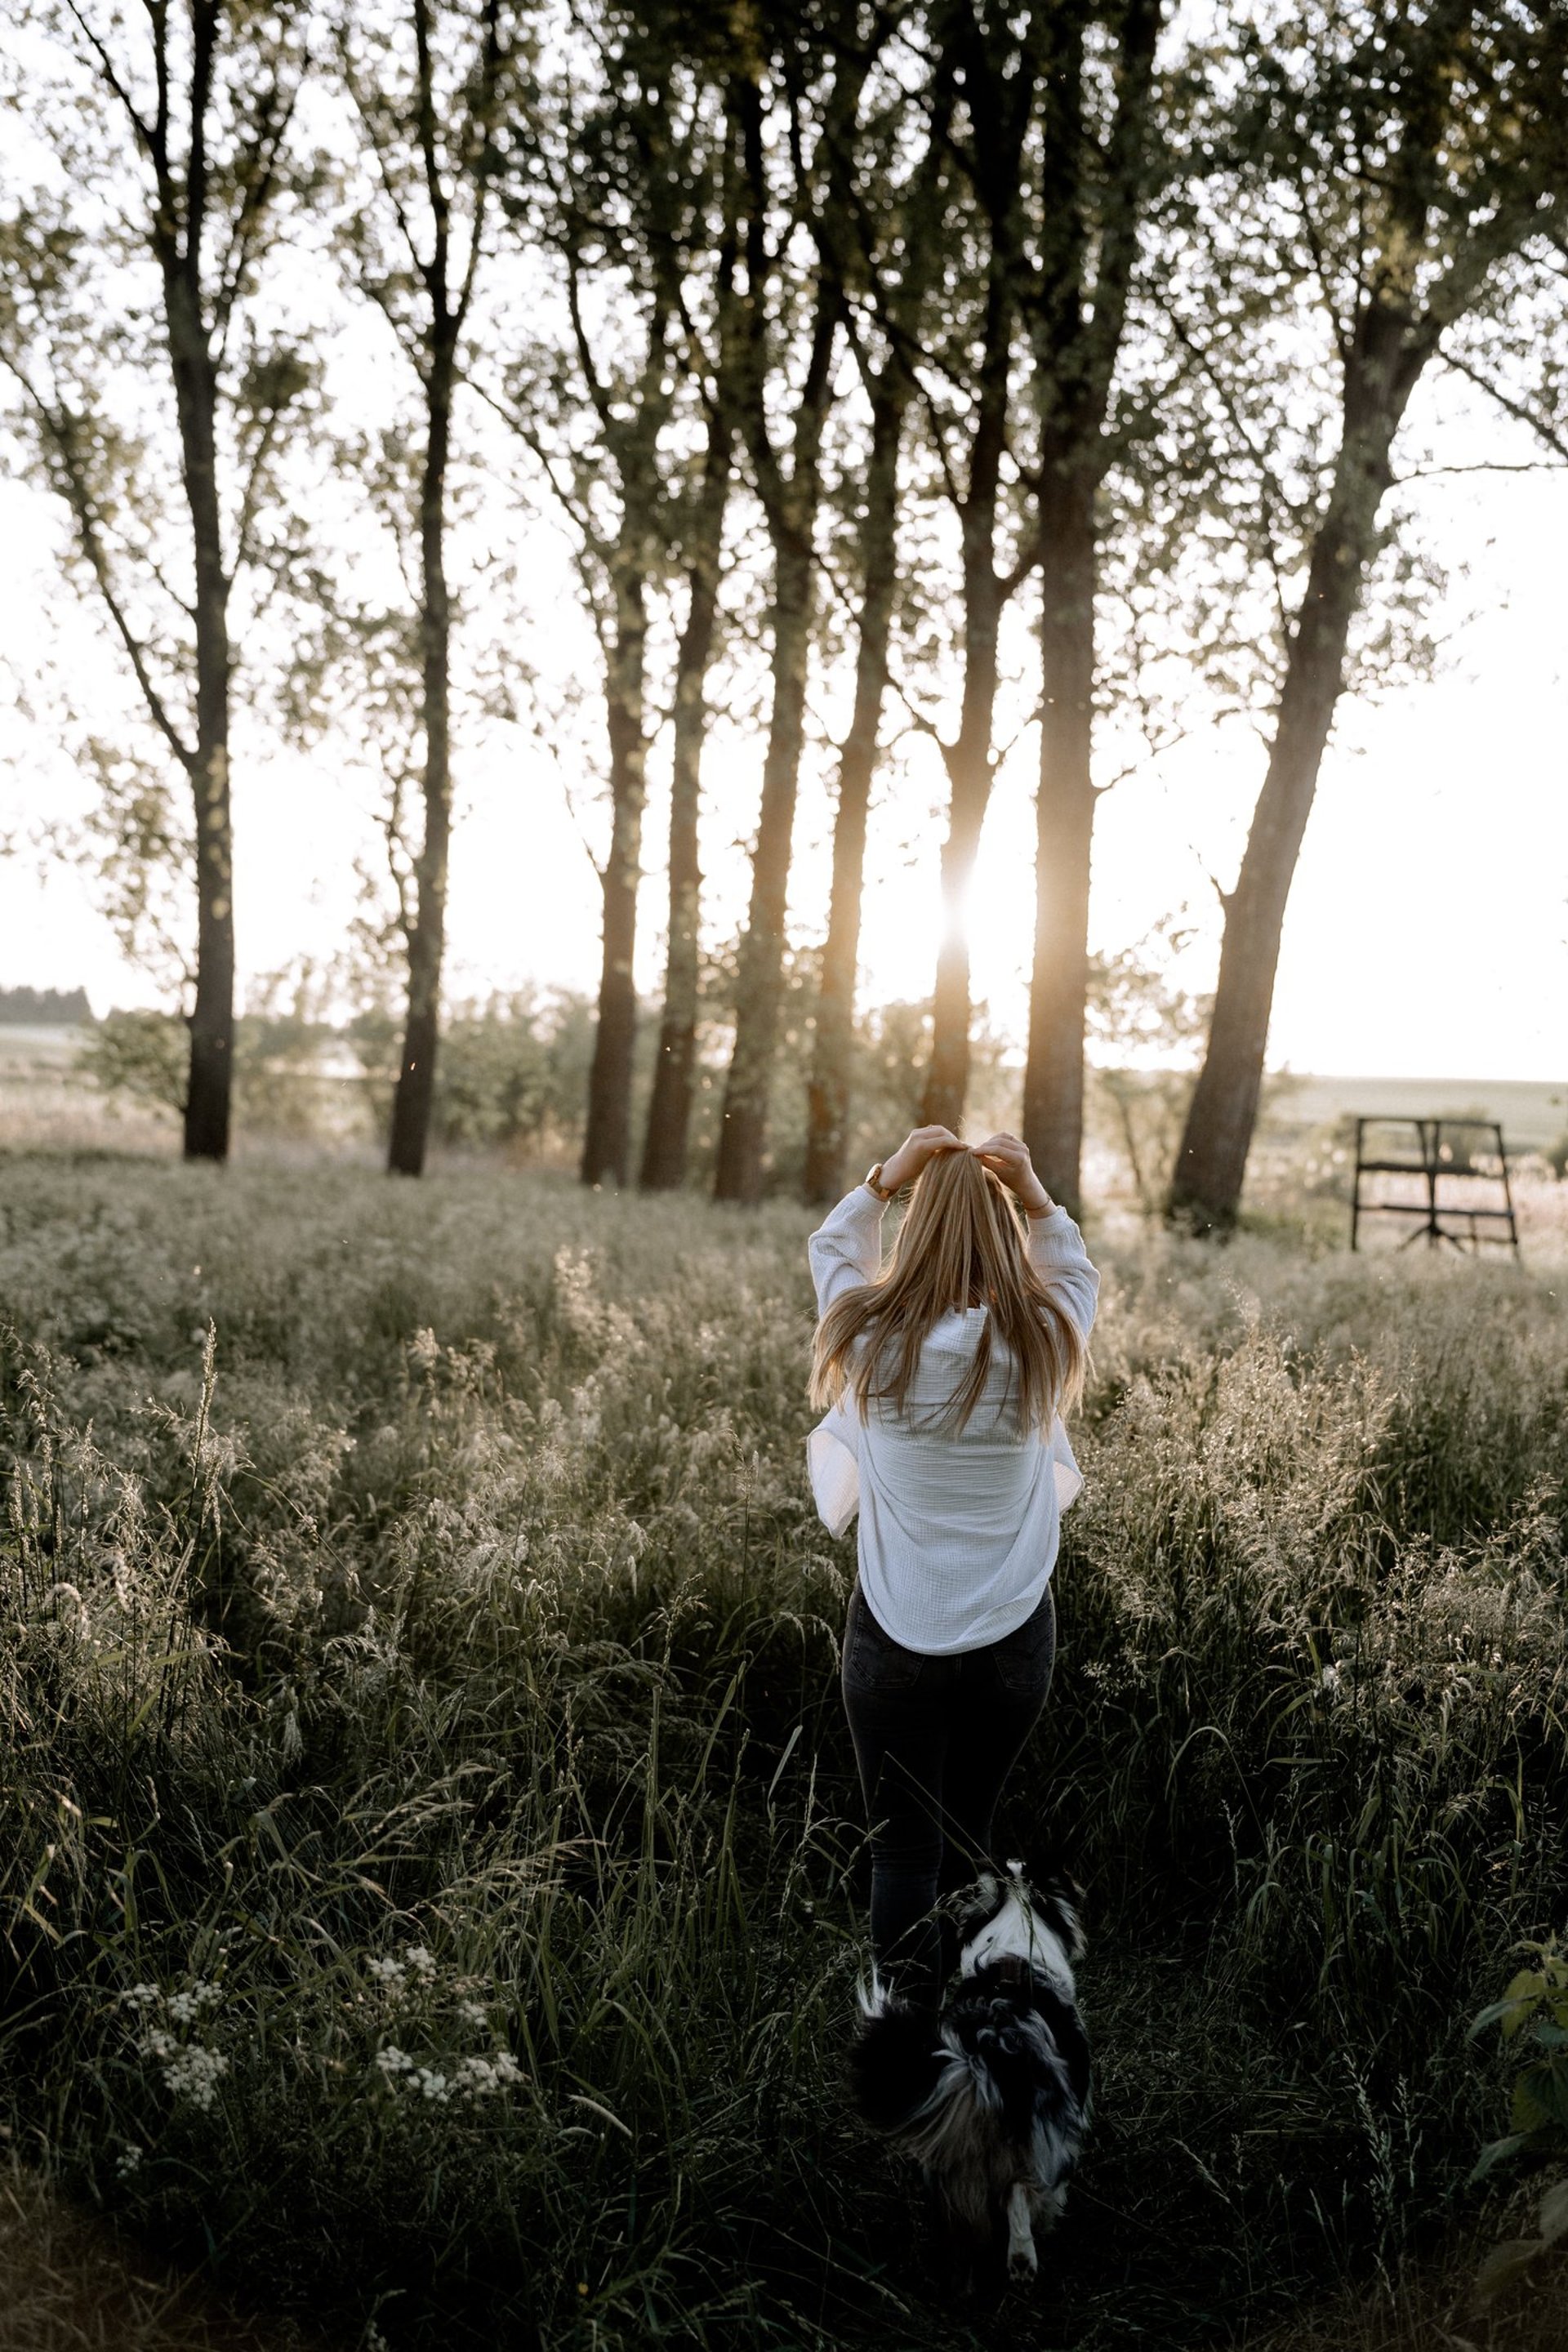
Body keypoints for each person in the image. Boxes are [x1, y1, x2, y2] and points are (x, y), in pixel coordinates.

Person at [807, 1125, 1099, 2011]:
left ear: (916, 1228)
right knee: (968, 1836)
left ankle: (908, 2024)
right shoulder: (1046, 1338)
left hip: (895, 1629)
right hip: (1014, 1637)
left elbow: (832, 1248)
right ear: (1006, 1235)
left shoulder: (864, 1337)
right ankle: (974, 2026)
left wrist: (886, 1178)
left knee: (902, 1849)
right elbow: (1075, 1273)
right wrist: (1037, 1196)